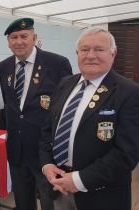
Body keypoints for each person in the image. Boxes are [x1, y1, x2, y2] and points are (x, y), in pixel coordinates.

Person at [39, 27, 139, 210]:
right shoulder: (65, 83)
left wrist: (78, 180)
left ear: (113, 53)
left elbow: (127, 153)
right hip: (59, 189)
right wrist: (47, 165)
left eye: (99, 49)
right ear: (77, 53)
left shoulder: (129, 92)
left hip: (102, 196)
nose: (90, 55)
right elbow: (47, 131)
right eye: (85, 50)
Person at [0, 18, 73, 210]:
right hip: (17, 149)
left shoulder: (57, 64)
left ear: (34, 38)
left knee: (50, 202)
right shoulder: (3, 67)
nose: (19, 41)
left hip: (46, 151)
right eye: (14, 37)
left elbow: (66, 109)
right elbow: (11, 104)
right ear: (8, 41)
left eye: (24, 36)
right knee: (23, 202)